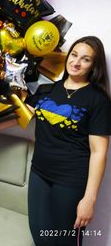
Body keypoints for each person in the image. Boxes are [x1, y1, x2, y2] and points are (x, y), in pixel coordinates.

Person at [26, 36, 111, 246]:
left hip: (71, 179)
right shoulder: (47, 90)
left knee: (65, 240)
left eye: (85, 59)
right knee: (39, 235)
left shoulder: (98, 100)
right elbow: (19, 115)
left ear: (94, 65)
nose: (76, 62)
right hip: (39, 172)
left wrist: (89, 200)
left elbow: (99, 152)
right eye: (74, 55)